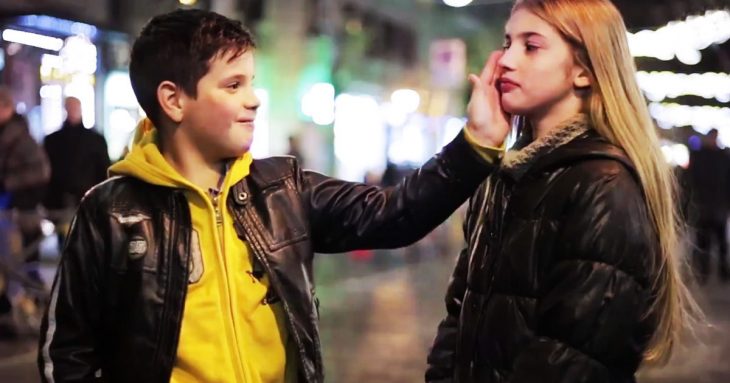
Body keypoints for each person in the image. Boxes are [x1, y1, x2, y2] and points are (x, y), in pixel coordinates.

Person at [38, 9, 509, 383]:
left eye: (252, 82)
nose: (254, 99)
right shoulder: (111, 211)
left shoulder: (283, 189)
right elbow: (66, 356)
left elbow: (395, 213)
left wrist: (475, 144)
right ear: (173, 99)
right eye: (233, 85)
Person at [425, 0, 701, 382]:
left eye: (531, 46)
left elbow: (573, 360)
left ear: (584, 70)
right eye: (507, 42)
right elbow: (460, 312)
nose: (505, 60)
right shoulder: (505, 174)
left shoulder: (602, 185)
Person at [0, 86, 50, 337]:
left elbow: (41, 171)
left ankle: (26, 314)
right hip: (10, 212)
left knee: (21, 268)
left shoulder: (20, 137)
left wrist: (8, 182)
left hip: (20, 214)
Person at [43, 96, 111, 245]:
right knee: (65, 245)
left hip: (87, 199)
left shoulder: (95, 140)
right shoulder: (52, 140)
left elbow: (103, 171)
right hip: (61, 200)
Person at [687, 129, 730, 283]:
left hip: (714, 206)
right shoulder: (707, 157)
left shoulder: (719, 157)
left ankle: (720, 271)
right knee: (705, 242)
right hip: (706, 205)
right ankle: (705, 272)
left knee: (718, 243)